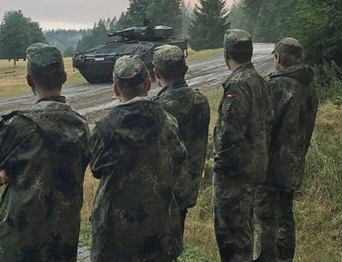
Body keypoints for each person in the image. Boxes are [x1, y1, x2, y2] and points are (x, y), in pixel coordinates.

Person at [0, 43, 90, 262]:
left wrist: (0, 170)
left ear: (29, 79)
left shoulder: (18, 126)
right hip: (62, 239)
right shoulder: (80, 126)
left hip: (20, 240)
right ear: (65, 77)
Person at [89, 56, 186, 262]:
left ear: (116, 90)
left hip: (115, 232)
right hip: (160, 228)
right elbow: (179, 158)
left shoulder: (104, 128)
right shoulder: (169, 121)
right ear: (148, 83)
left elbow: (97, 169)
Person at [254, 38, 318, 262]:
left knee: (264, 218)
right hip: (295, 162)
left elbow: (264, 127)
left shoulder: (278, 86)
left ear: (278, 58)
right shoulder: (308, 86)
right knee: (285, 216)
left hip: (271, 165)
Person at [211, 29, 271, 262]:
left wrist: (218, 164)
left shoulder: (236, 86)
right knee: (245, 231)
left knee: (232, 240)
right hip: (255, 168)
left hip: (233, 175)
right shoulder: (259, 80)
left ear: (226, 53)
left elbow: (229, 135)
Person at [151, 45, 210, 236]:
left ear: (156, 73)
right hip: (187, 186)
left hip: (160, 192)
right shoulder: (200, 101)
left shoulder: (157, 109)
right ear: (185, 70)